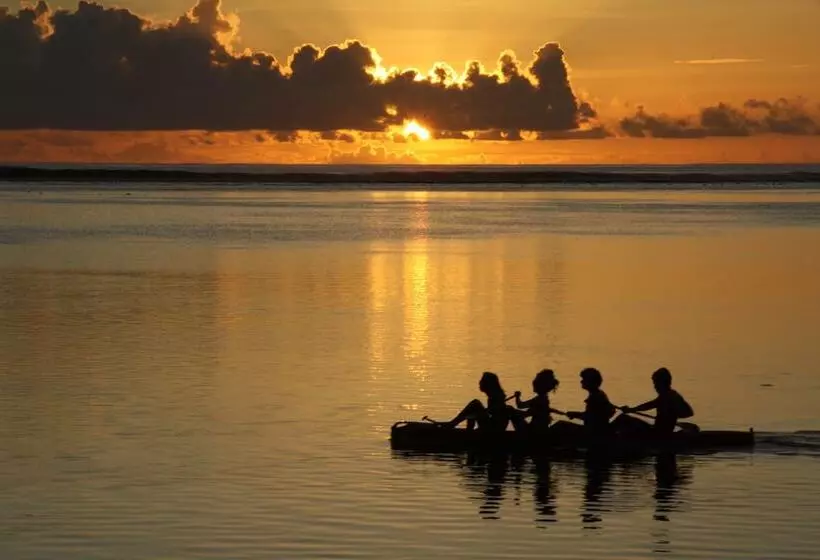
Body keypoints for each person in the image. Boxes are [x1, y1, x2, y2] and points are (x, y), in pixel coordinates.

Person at [617, 367, 694, 436]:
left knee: (624, 419)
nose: (655, 386)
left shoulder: (669, 396)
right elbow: (649, 405)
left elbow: (689, 412)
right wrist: (631, 410)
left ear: (662, 383)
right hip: (658, 430)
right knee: (626, 420)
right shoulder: (667, 395)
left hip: (660, 434)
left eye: (656, 383)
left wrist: (672, 414)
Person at [551, 368, 616, 441]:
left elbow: (590, 417)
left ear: (590, 382)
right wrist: (577, 414)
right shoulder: (600, 394)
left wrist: (576, 415)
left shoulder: (595, 397)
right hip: (596, 431)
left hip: (592, 433)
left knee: (560, 425)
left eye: (584, 379)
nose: (581, 381)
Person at [433, 371, 510, 432]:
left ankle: (454, 425)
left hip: (494, 429)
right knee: (475, 405)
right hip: (492, 425)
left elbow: (497, 417)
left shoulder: (496, 396)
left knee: (475, 404)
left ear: (488, 384)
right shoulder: (494, 395)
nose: (479, 383)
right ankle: (453, 424)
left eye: (482, 381)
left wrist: (477, 415)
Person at [510, 369, 562, 434]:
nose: (533, 384)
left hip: (534, 431)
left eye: (535, 383)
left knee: (509, 410)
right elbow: (520, 406)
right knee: (510, 410)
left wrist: (511, 411)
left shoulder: (539, 400)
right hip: (536, 429)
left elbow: (525, 414)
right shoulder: (541, 399)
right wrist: (517, 397)